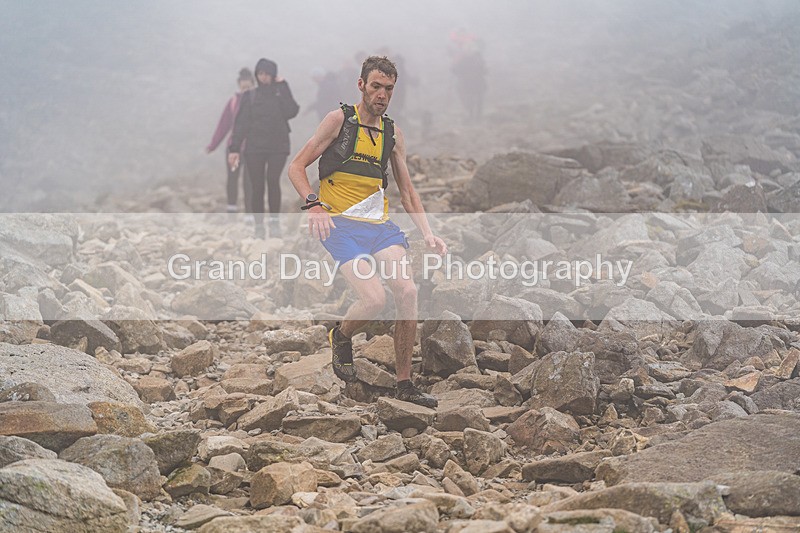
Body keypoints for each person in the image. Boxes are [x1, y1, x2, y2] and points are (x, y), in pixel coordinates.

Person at [288, 56, 446, 408]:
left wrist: (429, 233)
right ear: (361, 85)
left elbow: (407, 192)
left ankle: (405, 383)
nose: (382, 94)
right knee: (375, 300)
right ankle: (341, 336)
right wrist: (313, 204)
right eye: (376, 86)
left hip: (379, 227)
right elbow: (296, 167)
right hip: (340, 226)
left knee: (406, 292)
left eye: (388, 89)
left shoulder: (392, 133)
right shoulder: (339, 120)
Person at [229, 58, 299, 238]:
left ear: (273, 75)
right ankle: (259, 226)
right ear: (256, 75)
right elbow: (241, 124)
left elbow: (292, 110)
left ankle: (274, 223)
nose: (263, 77)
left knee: (272, 180)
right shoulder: (250, 96)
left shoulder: (279, 93)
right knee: (257, 185)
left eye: (267, 74)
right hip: (254, 147)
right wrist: (234, 148)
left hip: (278, 146)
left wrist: (284, 86)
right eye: (260, 74)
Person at [206, 68, 254, 213]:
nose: (245, 89)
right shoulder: (233, 102)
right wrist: (213, 144)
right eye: (243, 86)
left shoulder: (257, 101)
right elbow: (224, 124)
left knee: (249, 181)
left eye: (248, 87)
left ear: (253, 84)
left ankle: (249, 211)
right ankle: (231, 208)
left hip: (252, 147)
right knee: (232, 178)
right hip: (233, 147)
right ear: (239, 85)